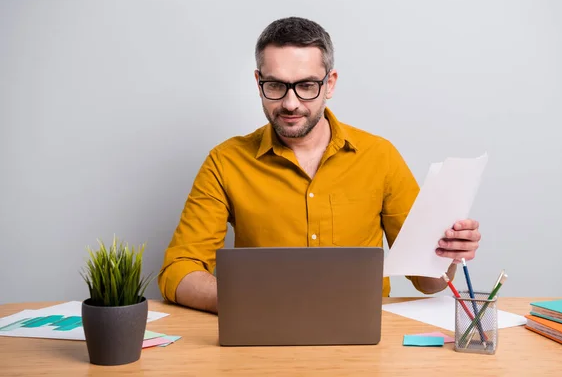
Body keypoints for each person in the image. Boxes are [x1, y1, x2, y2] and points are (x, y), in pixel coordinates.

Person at [157, 17, 482, 314]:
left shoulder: (380, 157)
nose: (290, 103)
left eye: (307, 86)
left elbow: (428, 282)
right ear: (258, 82)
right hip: (262, 332)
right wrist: (255, 302)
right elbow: (178, 270)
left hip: (363, 336)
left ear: (330, 84)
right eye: (275, 85)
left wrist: (449, 255)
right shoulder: (225, 162)